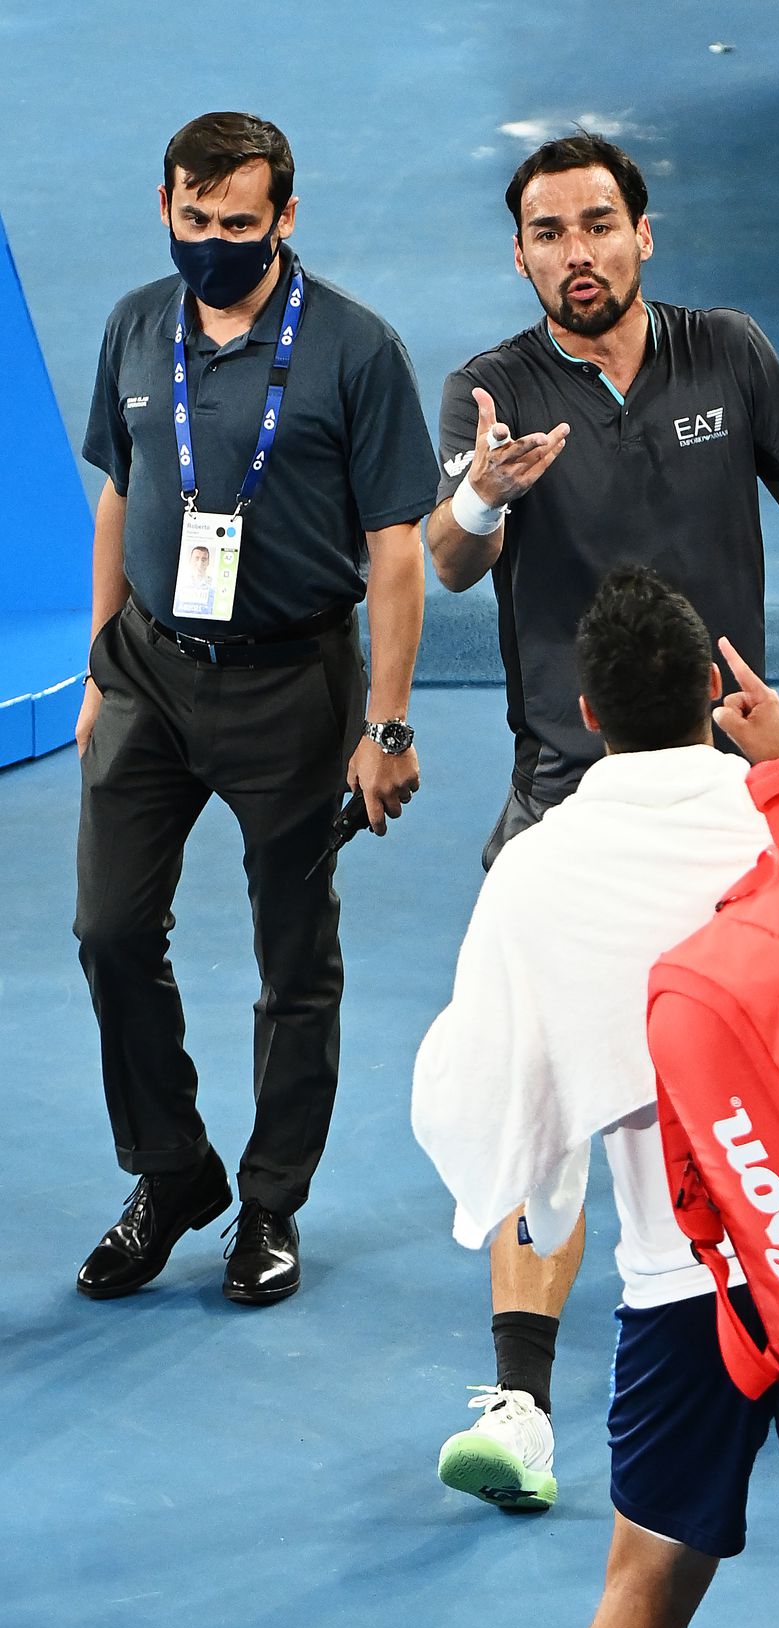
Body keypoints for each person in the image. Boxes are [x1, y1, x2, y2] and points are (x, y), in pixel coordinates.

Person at [426, 129, 779, 1500]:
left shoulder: (730, 351)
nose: (575, 253)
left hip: (732, 779)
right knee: (556, 1091)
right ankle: (523, 1406)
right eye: (548, 233)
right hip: (565, 790)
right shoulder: (490, 389)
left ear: (643, 235)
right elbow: (451, 560)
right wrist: (487, 489)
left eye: (598, 225)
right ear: (524, 253)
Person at [412, 568, 779, 1628]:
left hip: (688, 1297)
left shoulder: (539, 870)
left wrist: (549, 1172)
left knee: (648, 1581)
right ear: (718, 689)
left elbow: (476, 1104)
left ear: (589, 713)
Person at [74, 111, 438, 1304]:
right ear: (167, 209)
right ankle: (173, 1169)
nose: (215, 242)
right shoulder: (136, 324)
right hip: (147, 670)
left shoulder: (354, 348)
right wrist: (95, 666)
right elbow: (122, 499)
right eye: (196, 220)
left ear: (286, 217)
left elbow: (395, 552)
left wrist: (383, 726)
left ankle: (272, 1200)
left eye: (240, 224)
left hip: (296, 682)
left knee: (295, 957)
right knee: (111, 933)